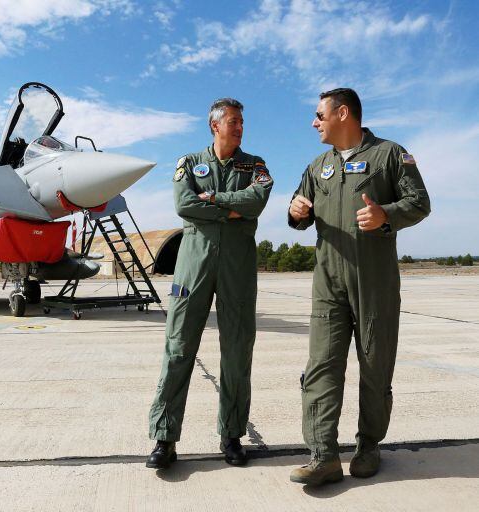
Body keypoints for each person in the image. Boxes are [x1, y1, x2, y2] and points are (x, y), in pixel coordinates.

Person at [287, 88, 430, 486]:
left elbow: (419, 202)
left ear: (343, 113)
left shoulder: (389, 155)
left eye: (319, 115)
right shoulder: (318, 166)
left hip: (374, 281)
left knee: (374, 365)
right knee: (321, 366)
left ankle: (368, 446)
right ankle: (323, 456)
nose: (314, 122)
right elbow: (300, 208)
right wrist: (295, 210)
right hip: (328, 280)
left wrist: (387, 214)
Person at [146, 98, 273, 469]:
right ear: (215, 125)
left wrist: (216, 197)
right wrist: (233, 209)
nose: (240, 127)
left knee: (237, 353)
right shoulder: (187, 163)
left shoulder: (256, 165)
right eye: (233, 121)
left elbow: (258, 200)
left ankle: (231, 435)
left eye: (242, 121)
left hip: (237, 268)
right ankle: (164, 439)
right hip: (193, 268)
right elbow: (184, 205)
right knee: (179, 349)